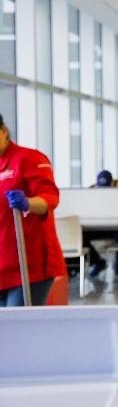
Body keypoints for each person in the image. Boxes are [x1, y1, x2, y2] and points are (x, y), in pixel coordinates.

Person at [0, 113, 66, 306]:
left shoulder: (28, 158)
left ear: (3, 131)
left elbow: (50, 198)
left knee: (20, 329)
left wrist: (28, 203)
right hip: (2, 263)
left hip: (29, 266)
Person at [83, 170, 118, 277]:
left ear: (112, 183)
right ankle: (98, 262)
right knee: (80, 237)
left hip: (117, 227)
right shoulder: (91, 190)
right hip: (97, 228)